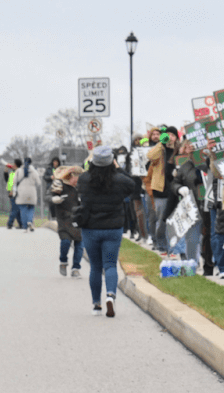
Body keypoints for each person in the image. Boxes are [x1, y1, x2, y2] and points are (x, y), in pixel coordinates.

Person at [77, 146, 138, 317]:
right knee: (110, 265)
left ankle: (96, 304)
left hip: (90, 228)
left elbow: (79, 192)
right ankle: (110, 295)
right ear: (112, 161)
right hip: (113, 228)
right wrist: (118, 167)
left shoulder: (84, 179)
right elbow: (132, 184)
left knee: (95, 267)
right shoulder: (120, 180)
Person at [145, 126, 179, 251]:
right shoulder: (160, 149)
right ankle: (161, 244)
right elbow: (150, 156)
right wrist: (161, 143)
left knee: (175, 220)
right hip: (161, 190)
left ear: (176, 138)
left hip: (176, 190)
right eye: (167, 134)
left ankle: (173, 246)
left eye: (172, 135)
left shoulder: (179, 150)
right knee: (161, 219)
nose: (170, 137)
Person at [49, 165, 83, 276]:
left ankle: (75, 268)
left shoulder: (80, 187)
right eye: (76, 180)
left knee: (80, 245)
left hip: (78, 219)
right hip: (64, 219)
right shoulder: (59, 184)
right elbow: (48, 196)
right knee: (65, 242)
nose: (77, 183)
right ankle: (63, 261)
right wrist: (54, 199)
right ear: (71, 176)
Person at [13, 160, 40, 232]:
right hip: (32, 192)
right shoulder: (34, 171)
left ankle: (25, 226)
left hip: (21, 192)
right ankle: (30, 221)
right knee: (31, 208)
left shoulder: (18, 171)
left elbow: (14, 181)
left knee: (23, 209)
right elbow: (39, 182)